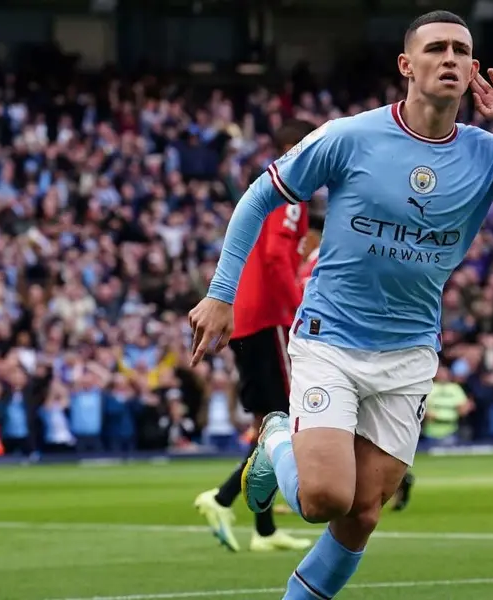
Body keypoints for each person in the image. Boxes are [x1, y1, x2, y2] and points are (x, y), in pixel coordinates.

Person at [187, 10, 493, 599]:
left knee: (363, 515)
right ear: (407, 64)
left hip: (409, 354)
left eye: (461, 50)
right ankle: (276, 438)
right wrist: (221, 293)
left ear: (474, 68)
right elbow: (258, 198)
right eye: (437, 49)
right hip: (331, 337)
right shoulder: (349, 136)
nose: (450, 58)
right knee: (324, 499)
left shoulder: (488, 154)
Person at [193, 120, 317, 554]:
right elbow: (275, 260)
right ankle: (222, 497)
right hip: (269, 317)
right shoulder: (291, 193)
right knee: (286, 422)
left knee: (268, 424)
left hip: (246, 316)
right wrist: (303, 306)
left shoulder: (265, 187)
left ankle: (262, 530)